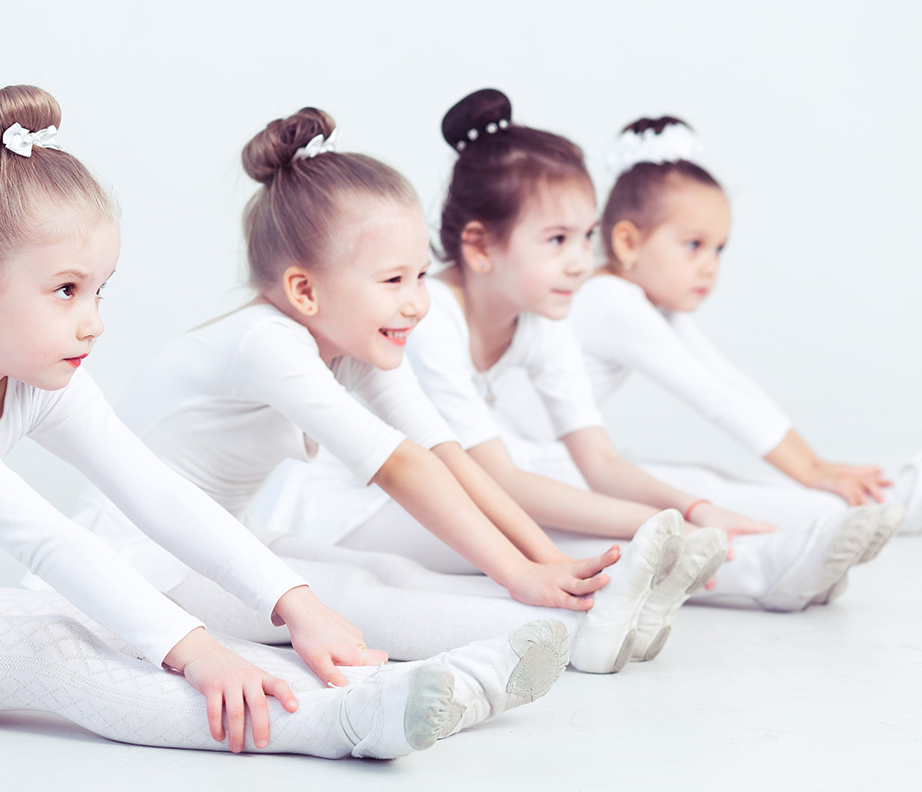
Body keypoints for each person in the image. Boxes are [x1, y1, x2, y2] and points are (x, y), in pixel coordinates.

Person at [0, 85, 548, 758]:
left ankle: (403, 682)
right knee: (51, 658)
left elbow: (154, 490)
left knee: (86, 625)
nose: (94, 321)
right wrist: (197, 649)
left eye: (100, 289)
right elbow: (43, 539)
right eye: (67, 290)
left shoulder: (37, 370)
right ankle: (342, 723)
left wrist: (293, 604)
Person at [77, 105, 718, 674]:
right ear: (306, 290)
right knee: (356, 596)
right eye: (393, 281)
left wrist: (547, 560)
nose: (417, 303)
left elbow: (444, 454)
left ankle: (597, 613)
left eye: (419, 276)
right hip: (140, 559)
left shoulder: (354, 339)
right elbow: (400, 467)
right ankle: (584, 635)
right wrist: (521, 573)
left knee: (387, 571)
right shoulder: (268, 344)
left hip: (219, 536)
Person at [259, 90, 893, 625]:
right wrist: (675, 520)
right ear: (481, 247)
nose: (579, 260)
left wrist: (694, 512)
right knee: (563, 532)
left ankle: (778, 549)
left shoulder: (541, 318)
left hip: (468, 492)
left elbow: (601, 461)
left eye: (585, 236)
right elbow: (497, 487)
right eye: (557, 239)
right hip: (353, 510)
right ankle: (761, 570)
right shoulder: (427, 319)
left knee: (628, 504)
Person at [568, 114, 919, 535]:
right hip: (533, 468)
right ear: (628, 243)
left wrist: (816, 465)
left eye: (718, 249)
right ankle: (890, 504)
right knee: (703, 488)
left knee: (708, 480)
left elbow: (730, 383)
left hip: (561, 460)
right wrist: (814, 472)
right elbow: (715, 399)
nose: (709, 267)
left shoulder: (647, 303)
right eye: (694, 245)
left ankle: (889, 497)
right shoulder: (611, 302)